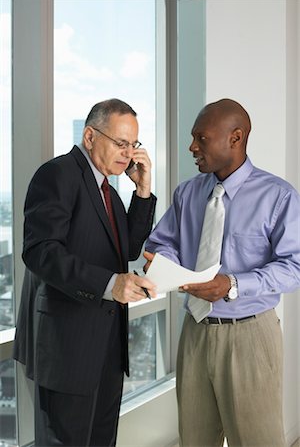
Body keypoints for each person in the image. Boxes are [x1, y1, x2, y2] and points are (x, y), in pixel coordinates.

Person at [144, 98, 300, 447]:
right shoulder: (187, 192)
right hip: (195, 334)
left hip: (250, 337)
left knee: (257, 441)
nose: (192, 147)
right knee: (195, 439)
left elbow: (295, 267)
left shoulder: (278, 196)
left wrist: (232, 284)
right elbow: (163, 242)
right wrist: (164, 260)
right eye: (192, 138)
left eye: (201, 138)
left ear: (235, 137)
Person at [13, 98, 157, 447]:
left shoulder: (108, 190)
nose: (128, 153)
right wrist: (110, 283)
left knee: (101, 440)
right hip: (67, 348)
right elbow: (40, 251)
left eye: (133, 145)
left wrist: (142, 190)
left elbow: (129, 250)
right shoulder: (58, 174)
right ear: (90, 136)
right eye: (120, 143)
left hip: (107, 345)